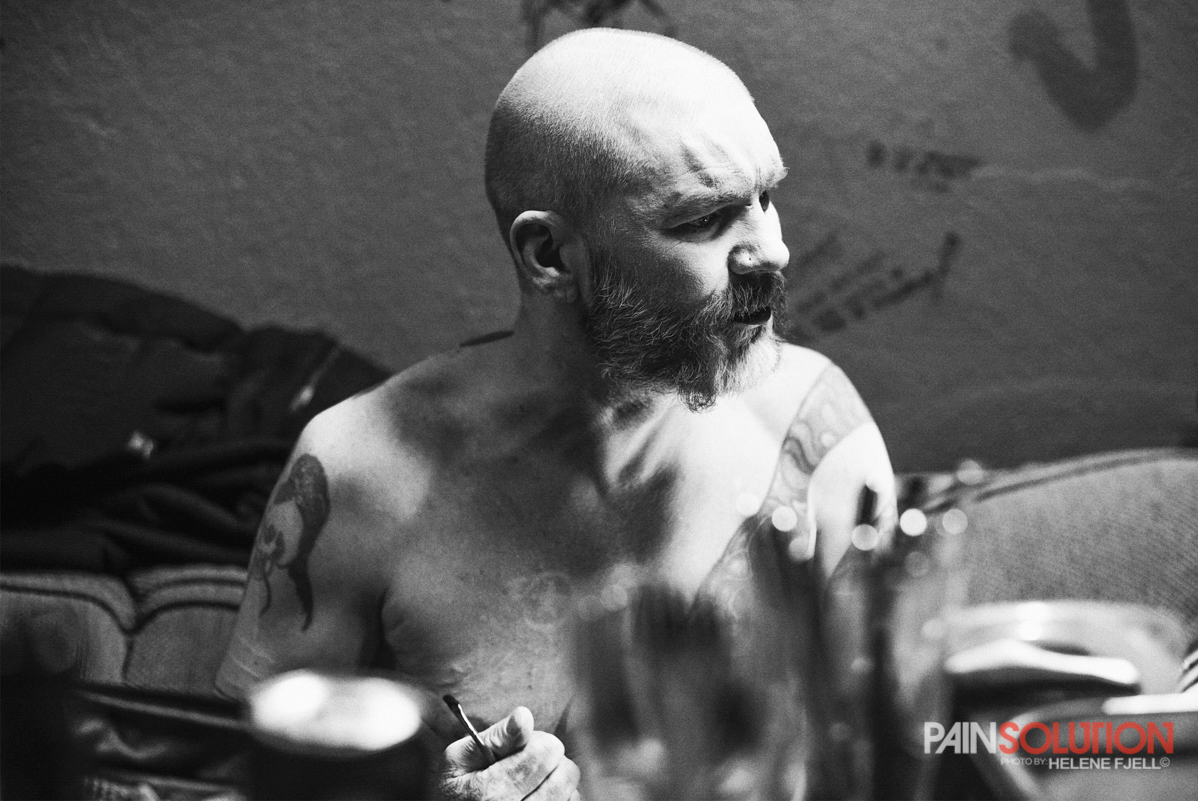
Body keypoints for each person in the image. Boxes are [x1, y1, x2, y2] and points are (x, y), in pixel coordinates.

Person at [217, 27, 895, 800]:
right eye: (704, 219)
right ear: (549, 255)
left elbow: (896, 763)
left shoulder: (816, 436)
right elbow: (233, 785)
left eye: (766, 197)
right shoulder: (360, 474)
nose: (771, 250)